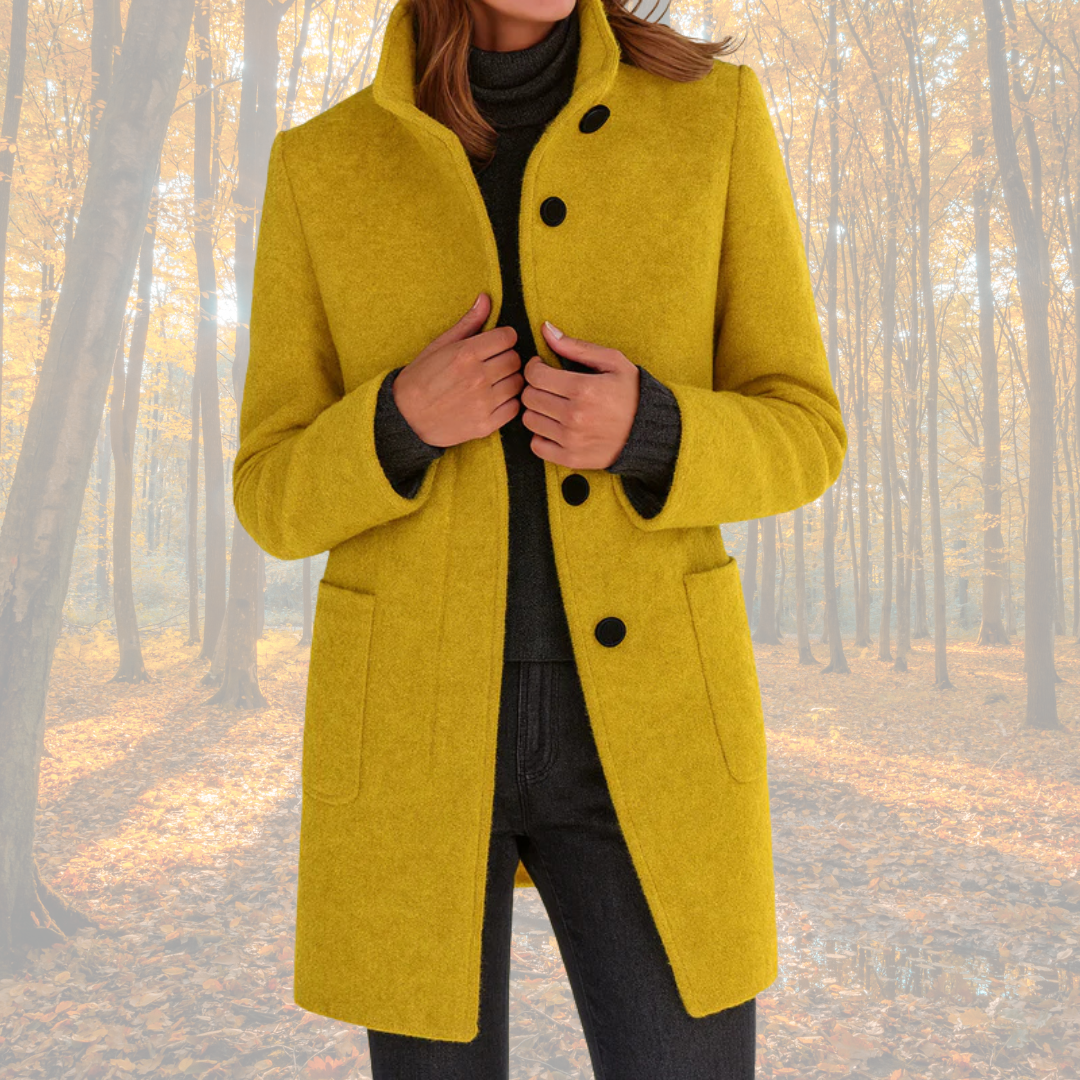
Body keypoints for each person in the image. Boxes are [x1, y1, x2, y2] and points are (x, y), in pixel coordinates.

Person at [233, 0, 848, 1074]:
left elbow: (808, 433)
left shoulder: (712, 119)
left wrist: (656, 429)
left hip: (653, 731)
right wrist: (396, 423)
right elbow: (270, 495)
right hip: (410, 740)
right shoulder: (322, 165)